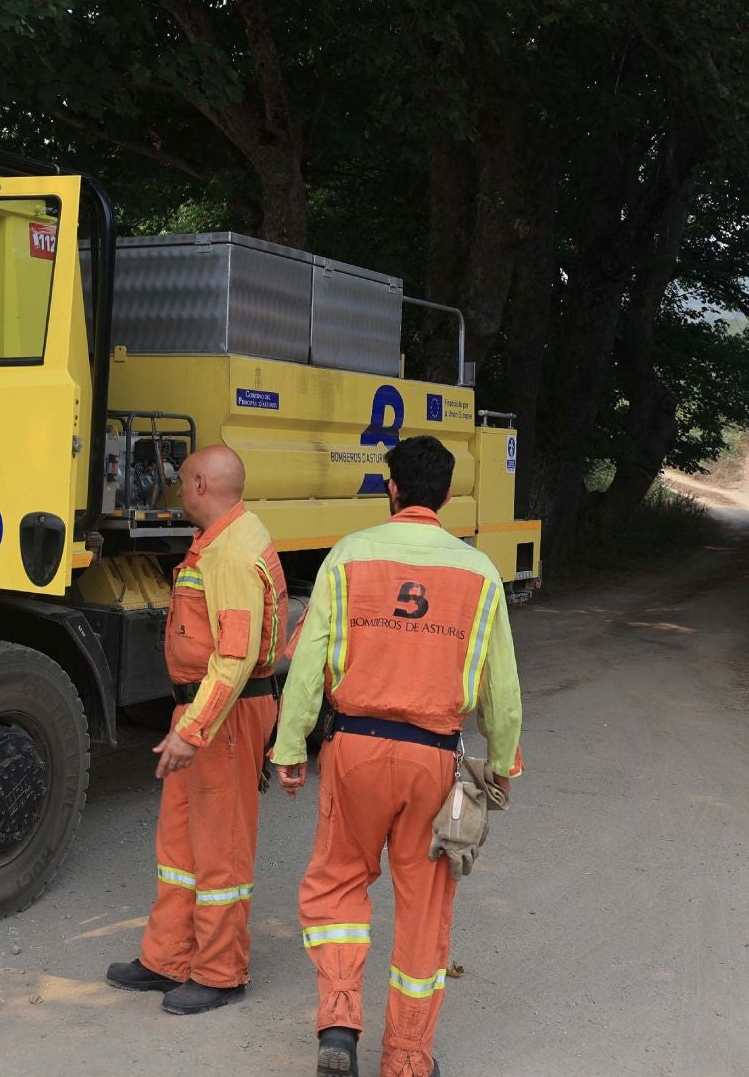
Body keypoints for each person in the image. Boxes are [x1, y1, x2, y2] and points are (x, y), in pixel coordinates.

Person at [272, 435, 524, 1077]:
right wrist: (502, 764)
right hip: (434, 763)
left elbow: (309, 660)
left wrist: (291, 745)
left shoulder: (349, 556)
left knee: (337, 882)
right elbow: (502, 685)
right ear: (444, 498)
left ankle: (338, 1024)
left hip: (353, 748)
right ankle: (408, 1058)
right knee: (425, 905)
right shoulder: (479, 573)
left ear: (393, 491)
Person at [107, 444, 288, 1015]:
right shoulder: (225, 539)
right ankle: (168, 958)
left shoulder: (231, 552)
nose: (176, 489)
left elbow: (233, 660)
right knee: (181, 841)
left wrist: (195, 729)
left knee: (220, 847)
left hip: (222, 714)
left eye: (182, 481)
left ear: (204, 486)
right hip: (203, 711)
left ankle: (221, 971)